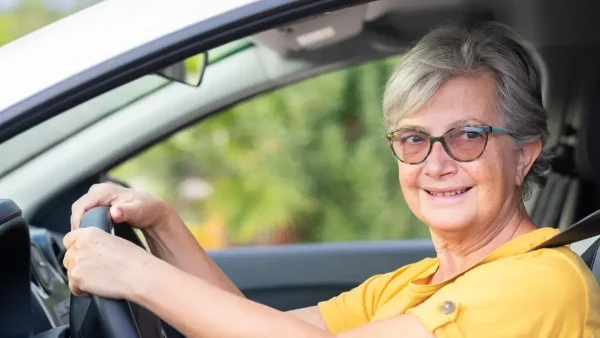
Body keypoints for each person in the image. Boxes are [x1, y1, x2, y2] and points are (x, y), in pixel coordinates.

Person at [63, 23, 600, 337]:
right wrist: (164, 225)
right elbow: (254, 328)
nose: (436, 163)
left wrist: (135, 276)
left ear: (524, 156)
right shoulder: (415, 282)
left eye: (467, 136)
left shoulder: (542, 284)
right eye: (414, 138)